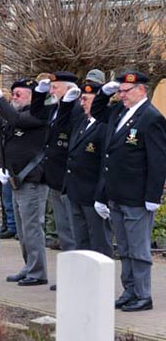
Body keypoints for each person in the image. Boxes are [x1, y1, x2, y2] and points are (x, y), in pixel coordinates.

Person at [92, 71, 166, 312]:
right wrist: (104, 92)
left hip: (137, 196)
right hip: (116, 193)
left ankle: (144, 295)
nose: (121, 95)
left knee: (138, 249)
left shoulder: (151, 118)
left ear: (141, 90)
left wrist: (153, 196)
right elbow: (97, 112)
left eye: (126, 91)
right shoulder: (119, 112)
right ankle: (130, 290)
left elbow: (158, 160)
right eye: (120, 91)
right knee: (123, 247)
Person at [0, 79, 49, 286]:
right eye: (12, 94)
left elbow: (15, 119)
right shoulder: (17, 117)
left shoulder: (38, 114)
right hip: (15, 179)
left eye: (19, 94)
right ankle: (29, 265)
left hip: (32, 179)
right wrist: (1, 166)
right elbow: (6, 143)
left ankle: (38, 271)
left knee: (32, 227)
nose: (14, 97)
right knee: (22, 229)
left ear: (32, 96)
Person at [31, 71, 82, 256]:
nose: (51, 91)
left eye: (55, 87)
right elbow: (36, 113)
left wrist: (67, 105)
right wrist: (39, 92)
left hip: (67, 176)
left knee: (72, 229)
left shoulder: (76, 109)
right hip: (54, 176)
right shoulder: (54, 108)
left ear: (69, 89)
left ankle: (76, 272)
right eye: (50, 87)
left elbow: (64, 129)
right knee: (63, 229)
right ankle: (69, 272)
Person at [63, 78, 113, 257]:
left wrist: (102, 194)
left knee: (99, 241)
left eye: (86, 99)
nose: (82, 103)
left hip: (93, 192)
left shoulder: (106, 125)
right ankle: (83, 281)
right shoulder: (82, 122)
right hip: (76, 190)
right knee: (81, 242)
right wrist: (66, 103)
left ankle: (101, 283)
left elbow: (105, 164)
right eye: (81, 99)